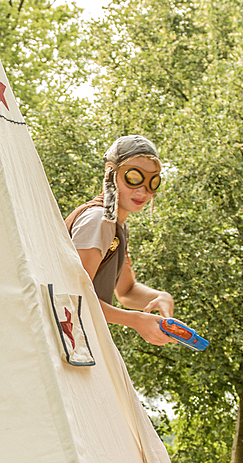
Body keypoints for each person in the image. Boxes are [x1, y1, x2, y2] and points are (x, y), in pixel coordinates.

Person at [65, 135, 174, 345]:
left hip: (78, 340)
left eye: (153, 181)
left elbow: (126, 291)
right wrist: (136, 320)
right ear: (111, 174)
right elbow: (75, 297)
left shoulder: (117, 226)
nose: (143, 190)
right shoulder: (98, 221)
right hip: (62, 341)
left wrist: (160, 297)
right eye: (134, 177)